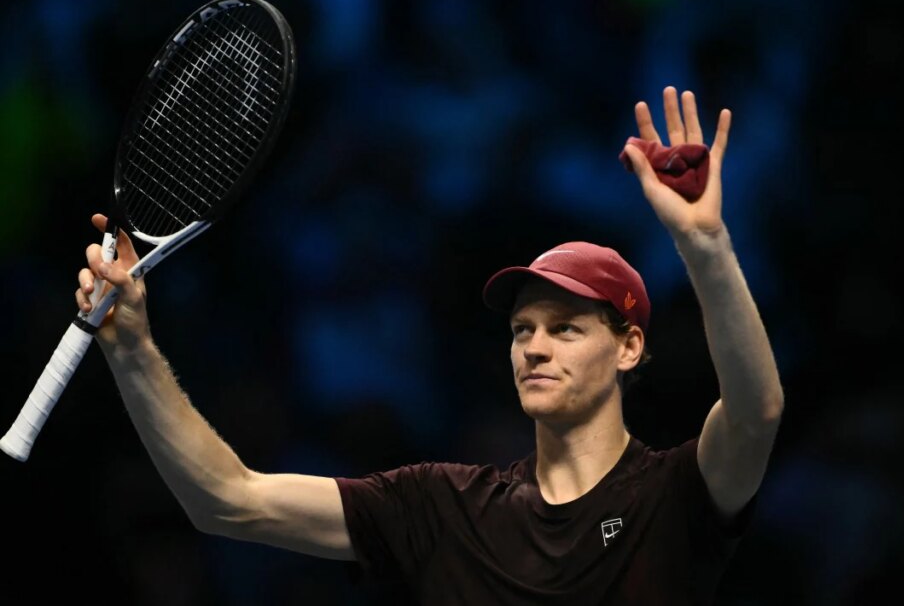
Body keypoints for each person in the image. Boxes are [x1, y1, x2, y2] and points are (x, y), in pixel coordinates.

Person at [75, 87, 784, 605]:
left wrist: (705, 245)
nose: (534, 347)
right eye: (521, 330)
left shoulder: (675, 496)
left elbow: (756, 412)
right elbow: (228, 500)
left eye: (565, 328)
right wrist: (132, 346)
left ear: (628, 348)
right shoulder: (442, 509)